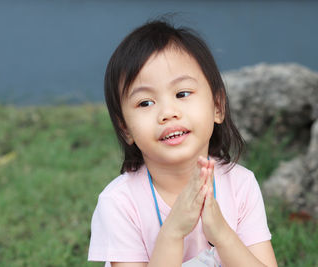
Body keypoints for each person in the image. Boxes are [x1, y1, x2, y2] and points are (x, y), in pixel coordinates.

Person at [88, 19, 277, 267]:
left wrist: (222, 235)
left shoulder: (240, 186)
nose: (168, 112)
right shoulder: (120, 203)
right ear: (125, 128)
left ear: (217, 106)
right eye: (145, 102)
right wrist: (172, 233)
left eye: (182, 94)